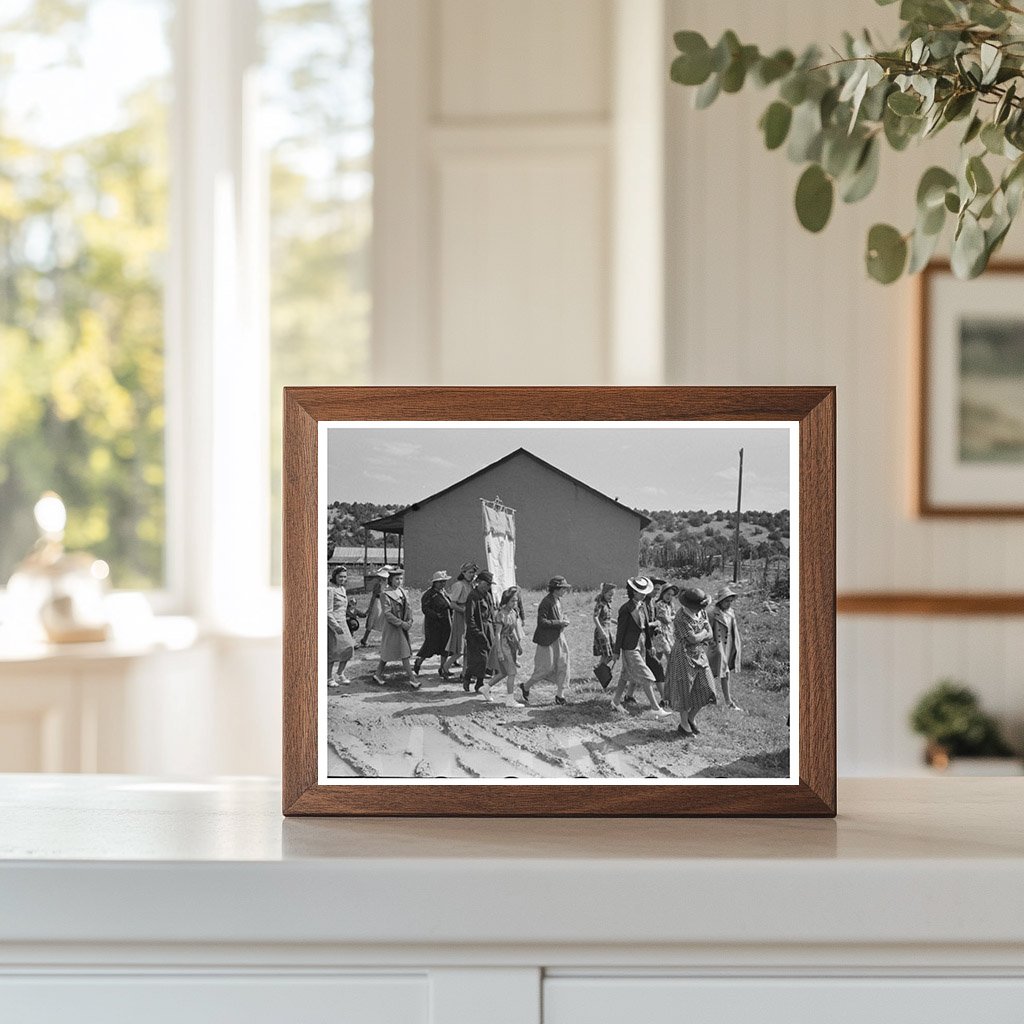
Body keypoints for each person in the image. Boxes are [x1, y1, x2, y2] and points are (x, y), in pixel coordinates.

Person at [609, 576, 670, 717]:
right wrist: (616, 650)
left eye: (644, 592)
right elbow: (620, 631)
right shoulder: (625, 609)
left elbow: (646, 628)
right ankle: (655, 708)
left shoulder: (642, 606)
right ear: (633, 592)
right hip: (629, 647)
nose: (642, 594)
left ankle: (616, 702)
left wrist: (649, 646)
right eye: (639, 592)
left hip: (641, 644)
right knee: (646, 675)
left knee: (625, 675)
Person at [664, 587, 717, 737]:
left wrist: (703, 635)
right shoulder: (681, 617)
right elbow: (691, 638)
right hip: (683, 655)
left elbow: (709, 633)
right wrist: (704, 634)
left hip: (699, 653)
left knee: (707, 688)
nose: (699, 609)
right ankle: (684, 723)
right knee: (684, 690)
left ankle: (691, 718)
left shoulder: (702, 612)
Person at [520, 576, 573, 706]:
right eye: (563, 588)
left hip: (559, 637)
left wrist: (563, 619)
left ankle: (560, 695)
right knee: (544, 668)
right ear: (556, 589)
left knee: (563, 665)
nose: (565, 591)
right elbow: (541, 622)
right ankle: (526, 686)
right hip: (547, 640)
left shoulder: (558, 600)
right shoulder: (546, 602)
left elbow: (558, 615)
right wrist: (559, 622)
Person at [372, 568, 419, 688]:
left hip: (402, 624)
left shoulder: (403, 592)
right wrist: (401, 623)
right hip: (393, 626)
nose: (399, 581)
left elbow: (409, 608)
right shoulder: (385, 594)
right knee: (403, 652)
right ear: (390, 580)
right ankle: (412, 679)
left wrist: (410, 620)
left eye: (401, 579)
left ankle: (377, 674)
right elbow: (387, 614)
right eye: (396, 579)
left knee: (390, 652)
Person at [708, 584, 744, 711]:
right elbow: (707, 630)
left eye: (730, 601)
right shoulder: (712, 613)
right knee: (713, 672)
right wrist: (712, 644)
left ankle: (726, 700)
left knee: (725, 672)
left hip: (728, 645)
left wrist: (736, 644)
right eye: (726, 601)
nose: (729, 603)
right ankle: (711, 698)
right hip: (717, 646)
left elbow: (733, 629)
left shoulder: (731, 612)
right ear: (720, 601)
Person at [490, 585, 526, 706]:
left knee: (504, 672)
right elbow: (498, 634)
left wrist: (518, 646)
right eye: (512, 601)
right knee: (512, 672)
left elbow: (514, 631)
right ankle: (510, 699)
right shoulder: (501, 615)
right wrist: (499, 651)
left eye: (516, 600)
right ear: (506, 601)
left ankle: (485, 687)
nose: (515, 603)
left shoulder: (514, 612)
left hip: (510, 644)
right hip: (503, 644)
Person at [414, 570, 454, 678]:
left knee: (445, 647)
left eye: (444, 581)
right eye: (440, 582)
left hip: (446, 623)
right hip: (434, 625)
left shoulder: (444, 592)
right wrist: (436, 615)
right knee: (430, 645)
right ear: (434, 583)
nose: (442, 584)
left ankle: (443, 668)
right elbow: (425, 609)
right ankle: (418, 662)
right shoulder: (429, 594)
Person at [463, 569, 496, 696]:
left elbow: (492, 613)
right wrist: (477, 632)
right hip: (476, 631)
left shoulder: (487, 595)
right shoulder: (473, 596)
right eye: (486, 584)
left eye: (489, 585)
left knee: (486, 659)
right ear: (479, 582)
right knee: (480, 658)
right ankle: (470, 678)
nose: (488, 587)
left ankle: (478, 682)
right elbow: (469, 618)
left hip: (488, 630)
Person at [446, 562, 477, 675]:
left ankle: (465, 673)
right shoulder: (459, 585)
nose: (472, 575)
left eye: (473, 572)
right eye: (469, 572)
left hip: (470, 617)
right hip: (461, 617)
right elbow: (452, 604)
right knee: (460, 648)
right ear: (463, 573)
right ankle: (445, 668)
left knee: (468, 647)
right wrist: (464, 611)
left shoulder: (471, 585)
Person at [326, 565, 355, 687]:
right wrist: (335, 626)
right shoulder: (330, 590)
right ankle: (328, 678)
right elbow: (327, 611)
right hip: (333, 624)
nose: (342, 579)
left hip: (343, 622)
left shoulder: (342, 589)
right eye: (340, 577)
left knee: (349, 648)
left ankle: (340, 673)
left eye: (344, 577)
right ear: (334, 577)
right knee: (333, 652)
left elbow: (343, 607)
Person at [358, 565, 391, 647]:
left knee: (385, 620)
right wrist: (370, 607)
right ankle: (364, 639)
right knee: (372, 619)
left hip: (385, 603)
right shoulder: (378, 585)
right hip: (377, 602)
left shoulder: (389, 585)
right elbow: (374, 596)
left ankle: (385, 639)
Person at [592, 583, 616, 690]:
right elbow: (595, 617)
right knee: (608, 654)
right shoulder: (600, 604)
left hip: (609, 630)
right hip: (602, 631)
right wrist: (601, 631)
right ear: (604, 593)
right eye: (609, 594)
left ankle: (600, 670)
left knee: (607, 654)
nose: (611, 597)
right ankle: (600, 670)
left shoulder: (608, 604)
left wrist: (618, 622)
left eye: (612, 595)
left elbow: (608, 618)